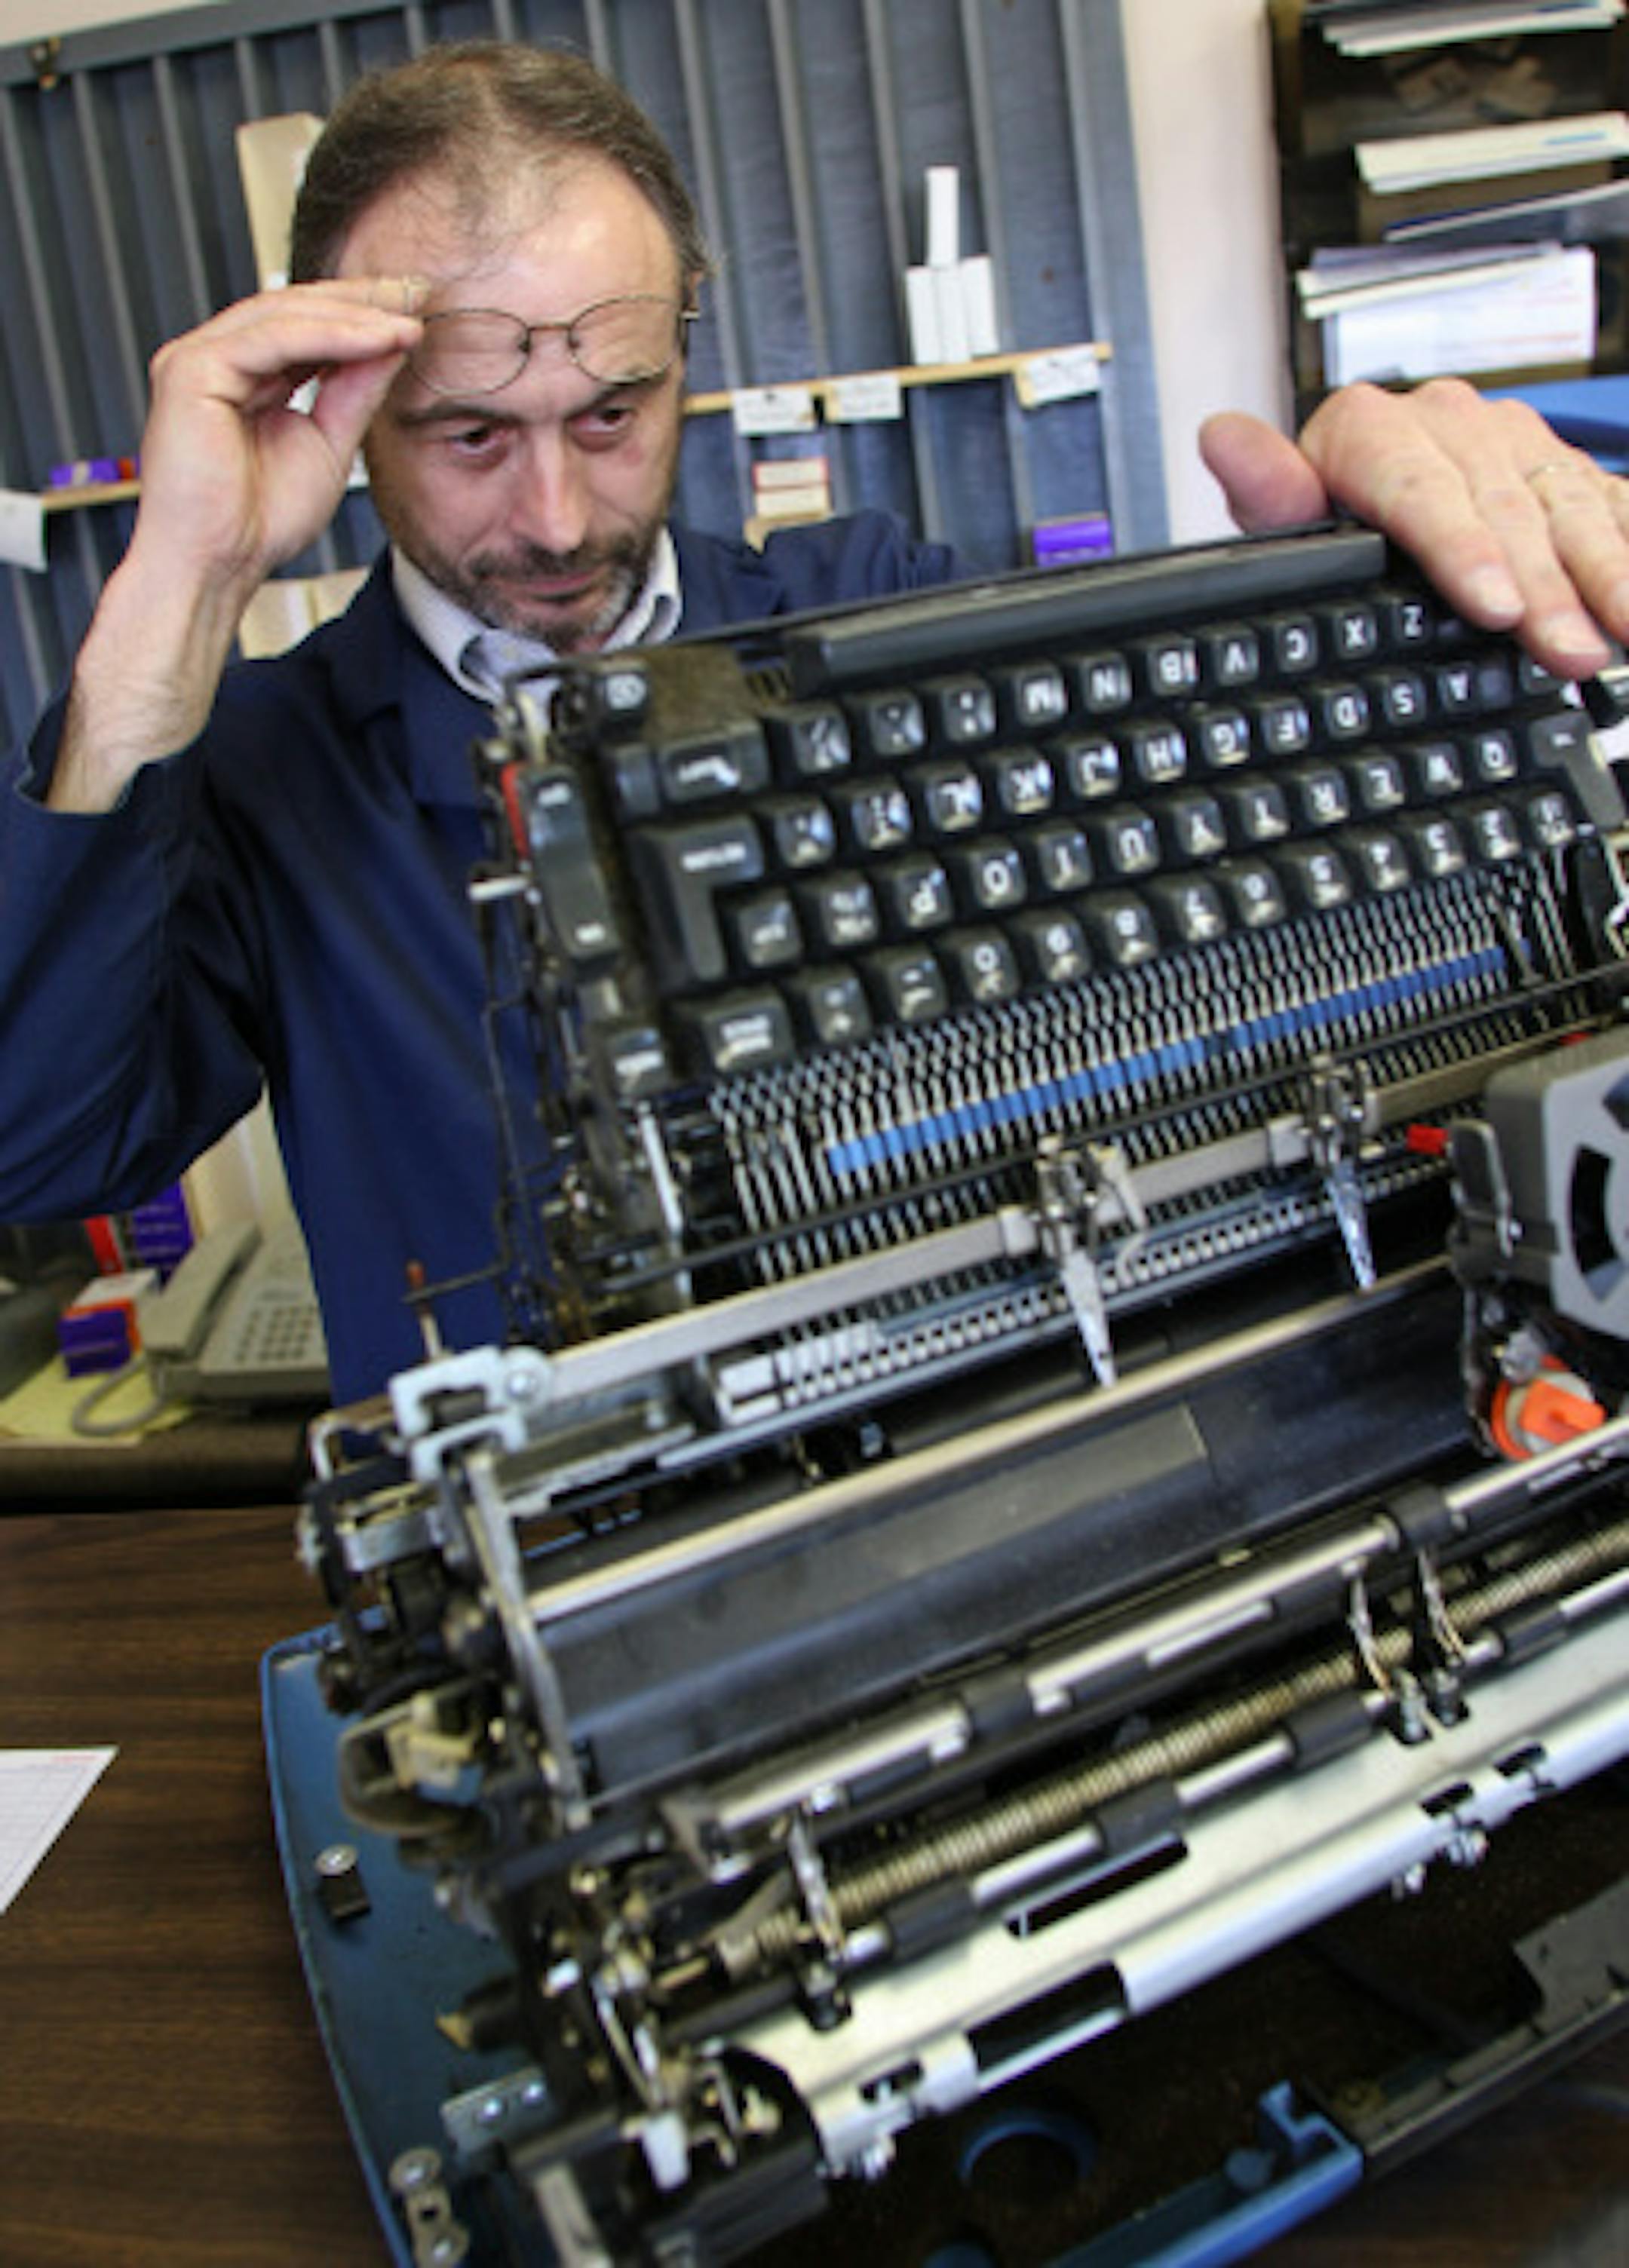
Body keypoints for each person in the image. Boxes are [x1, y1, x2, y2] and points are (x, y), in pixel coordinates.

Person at [2, 39, 1628, 1406]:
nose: (558, 516)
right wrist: (174, 593)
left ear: (686, 348)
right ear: (345, 417)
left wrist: (1359, 582)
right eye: (470, 434)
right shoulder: (260, 767)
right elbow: (46, 1146)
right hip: (559, 1605)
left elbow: (1199, 875)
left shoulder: (878, 613)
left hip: (953, 1479)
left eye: (615, 415)